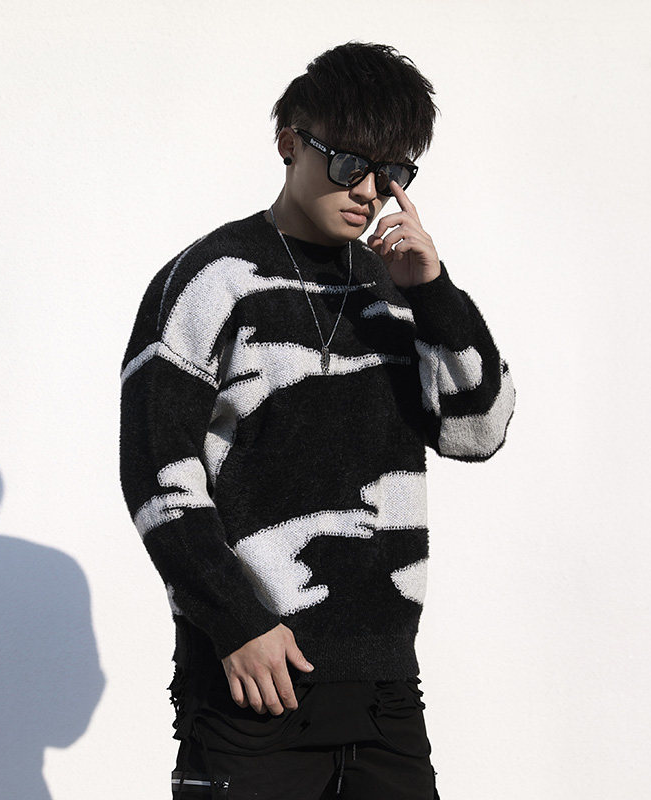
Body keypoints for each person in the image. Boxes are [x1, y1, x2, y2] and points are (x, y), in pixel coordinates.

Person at [119, 40, 515, 800]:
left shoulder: (395, 290)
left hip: (385, 687)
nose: (369, 191)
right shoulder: (211, 281)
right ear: (289, 143)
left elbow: (479, 430)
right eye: (349, 164)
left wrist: (433, 291)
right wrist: (235, 622)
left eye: (392, 173)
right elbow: (156, 475)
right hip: (253, 682)